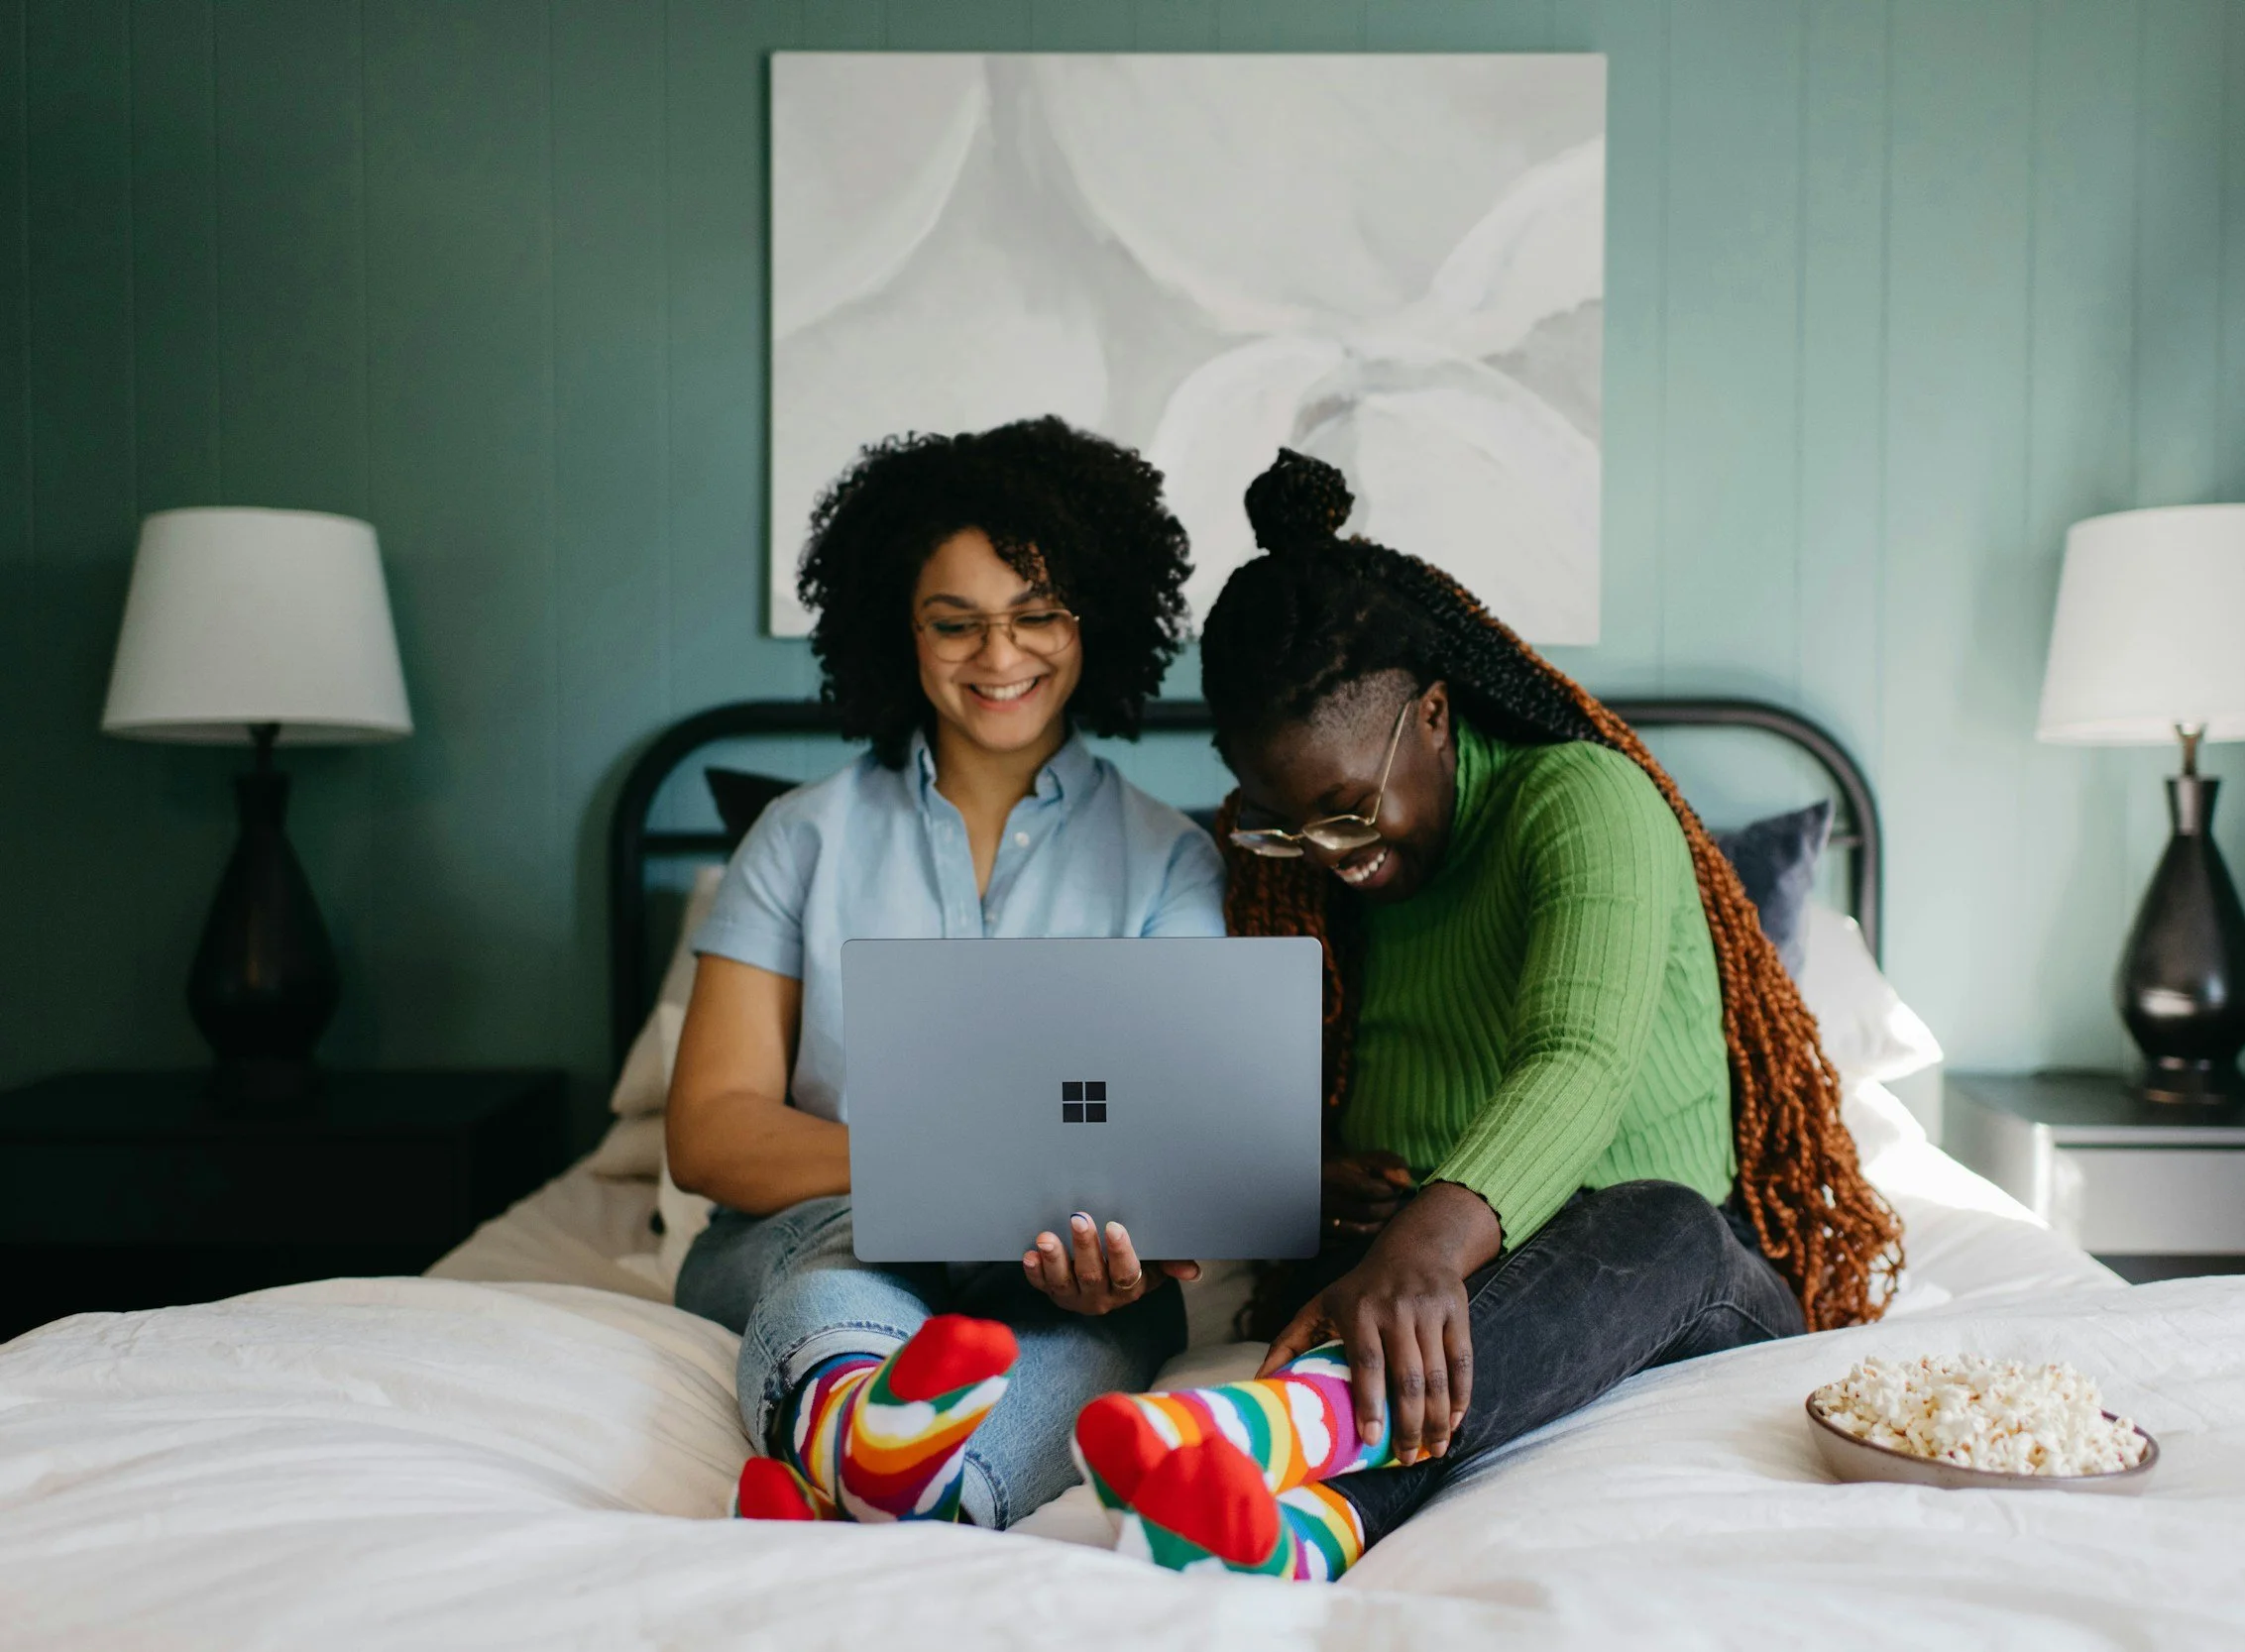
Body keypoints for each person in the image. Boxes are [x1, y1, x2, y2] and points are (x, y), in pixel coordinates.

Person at [1065, 450, 1903, 1581]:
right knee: (1399, 1287)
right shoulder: (1307, 876)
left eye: (1348, 811)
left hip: (1680, 1278)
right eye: (1282, 824)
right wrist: (1310, 1180)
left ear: (1437, 715)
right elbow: (1262, 1089)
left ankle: (1280, 1431)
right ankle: (1307, 1531)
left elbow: (1576, 1059)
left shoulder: (1583, 801)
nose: (1331, 859)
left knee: (1654, 1216)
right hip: (1465, 1283)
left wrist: (1421, 1241)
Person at [667, 417, 1223, 1531]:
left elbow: (1181, 1147)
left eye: (1036, 615)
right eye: (954, 622)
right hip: (826, 1221)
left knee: (1106, 1325)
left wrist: (1124, 1249)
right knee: (843, 1247)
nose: (1000, 655)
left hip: (1054, 1262)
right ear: (899, 630)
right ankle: (873, 1443)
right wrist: (931, 1173)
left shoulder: (1169, 857)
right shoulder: (798, 837)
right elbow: (709, 1132)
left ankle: (896, 1482)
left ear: (1091, 622)